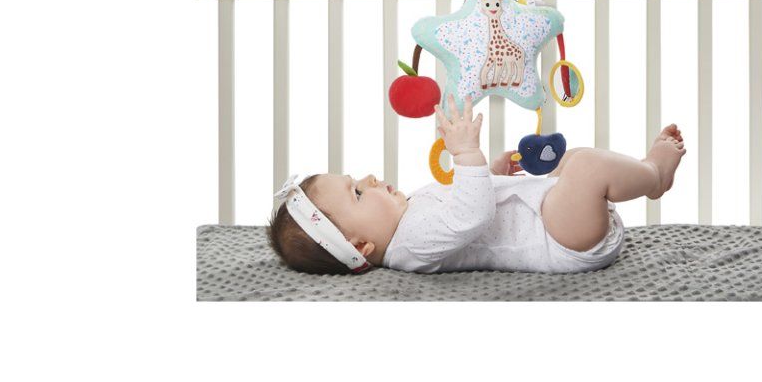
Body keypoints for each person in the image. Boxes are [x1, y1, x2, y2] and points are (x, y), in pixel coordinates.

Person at [268, 95, 685, 275]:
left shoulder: (412, 214)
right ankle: (654, 175)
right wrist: (467, 154)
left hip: (551, 216)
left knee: (573, 160)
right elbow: (473, 214)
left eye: (357, 179)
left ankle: (640, 173)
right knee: (588, 169)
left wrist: (493, 176)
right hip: (559, 240)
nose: (370, 179)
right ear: (361, 246)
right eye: (357, 193)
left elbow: (470, 204)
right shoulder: (410, 244)